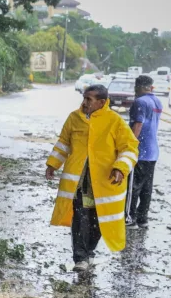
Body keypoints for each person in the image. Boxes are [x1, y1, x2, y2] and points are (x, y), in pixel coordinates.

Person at [46, 85, 140, 271]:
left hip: (104, 183)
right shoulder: (74, 118)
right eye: (84, 98)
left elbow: (130, 148)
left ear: (101, 102)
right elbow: (63, 143)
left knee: (98, 221)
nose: (84, 102)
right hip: (79, 183)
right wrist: (52, 164)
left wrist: (120, 169)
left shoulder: (114, 121)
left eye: (89, 99)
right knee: (80, 218)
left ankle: (89, 251)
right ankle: (80, 257)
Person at [126, 75, 162, 228]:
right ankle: (142, 219)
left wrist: (129, 147)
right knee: (146, 187)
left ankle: (130, 218)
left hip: (140, 151)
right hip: (153, 151)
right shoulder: (157, 101)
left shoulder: (140, 102)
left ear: (138, 86)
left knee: (133, 186)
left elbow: (137, 126)